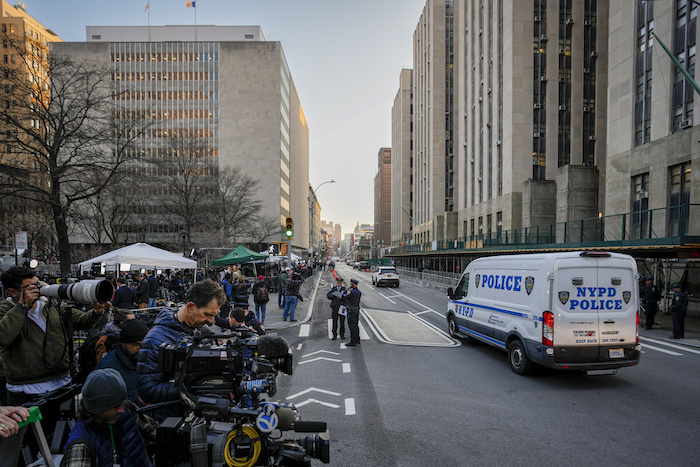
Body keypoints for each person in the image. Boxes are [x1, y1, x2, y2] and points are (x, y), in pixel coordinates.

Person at [137, 279, 226, 418]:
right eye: (207, 314)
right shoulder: (155, 340)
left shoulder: (200, 329)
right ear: (190, 307)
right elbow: (147, 391)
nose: (211, 321)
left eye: (214, 316)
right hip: (174, 420)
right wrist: (190, 384)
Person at [61, 369, 155, 467]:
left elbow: (154, 432)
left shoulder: (127, 409)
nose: (122, 409)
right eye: (115, 406)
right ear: (97, 409)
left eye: (121, 403)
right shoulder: (80, 447)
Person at [96, 319, 149, 405]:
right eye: (135, 345)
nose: (140, 348)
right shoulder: (107, 370)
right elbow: (104, 405)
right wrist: (137, 401)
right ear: (123, 343)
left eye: (143, 344)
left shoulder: (147, 359)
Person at [344, 278, 362, 346]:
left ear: (353, 284)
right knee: (356, 325)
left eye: (351, 284)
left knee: (352, 326)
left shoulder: (352, 292)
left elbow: (344, 297)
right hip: (356, 309)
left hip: (351, 310)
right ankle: (357, 339)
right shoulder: (358, 292)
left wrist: (346, 290)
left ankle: (353, 341)